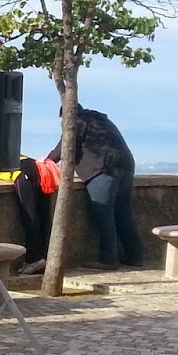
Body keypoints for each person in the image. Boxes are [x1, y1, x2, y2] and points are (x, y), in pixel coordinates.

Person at [48, 106, 144, 269]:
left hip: (101, 169)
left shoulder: (77, 121)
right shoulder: (99, 119)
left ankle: (108, 259)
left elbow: (65, 146)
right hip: (125, 165)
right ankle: (135, 256)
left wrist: (46, 162)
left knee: (103, 214)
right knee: (122, 213)